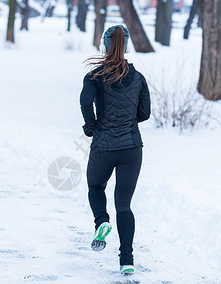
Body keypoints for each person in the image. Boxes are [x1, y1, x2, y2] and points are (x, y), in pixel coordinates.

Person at [79, 24, 151, 275]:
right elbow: (145, 114)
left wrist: (91, 126)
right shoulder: (139, 78)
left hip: (104, 145)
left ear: (104, 45)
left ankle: (101, 221)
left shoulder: (94, 76)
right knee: (124, 204)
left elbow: (85, 101)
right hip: (132, 148)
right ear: (126, 45)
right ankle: (127, 260)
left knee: (95, 186)